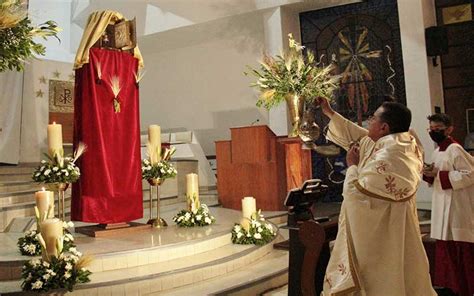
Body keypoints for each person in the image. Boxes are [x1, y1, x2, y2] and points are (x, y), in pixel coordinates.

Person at [318, 98, 436, 296]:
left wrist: (353, 165)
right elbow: (359, 135)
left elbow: (356, 192)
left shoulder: (389, 155)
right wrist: (329, 112)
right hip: (396, 226)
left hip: (381, 235)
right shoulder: (401, 143)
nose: (367, 122)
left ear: (384, 127)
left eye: (372, 119)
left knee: (382, 280)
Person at [423, 113, 474, 296]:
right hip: (441, 204)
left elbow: (470, 174)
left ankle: (466, 288)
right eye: (431, 129)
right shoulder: (437, 151)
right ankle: (452, 287)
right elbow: (436, 176)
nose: (434, 132)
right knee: (447, 248)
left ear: (449, 129)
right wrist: (428, 173)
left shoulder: (455, 149)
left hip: (457, 207)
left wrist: (441, 175)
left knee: (461, 251)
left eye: (438, 129)